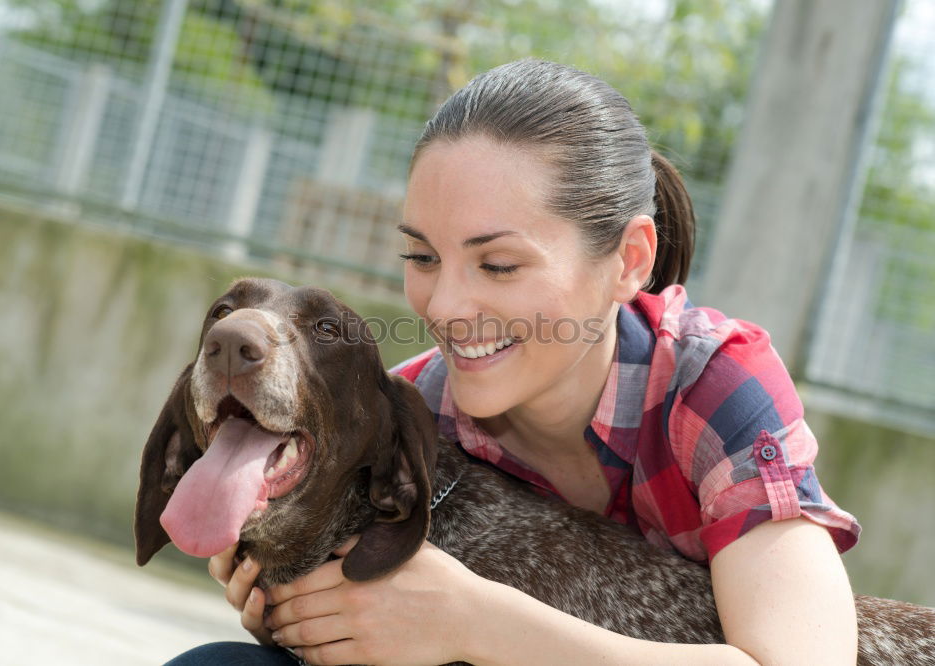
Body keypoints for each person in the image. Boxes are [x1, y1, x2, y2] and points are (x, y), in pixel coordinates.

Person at [167, 59, 861, 666]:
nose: (447, 306)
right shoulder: (412, 412)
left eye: (498, 265)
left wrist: (473, 620)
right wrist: (301, 604)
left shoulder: (714, 388)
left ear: (630, 261)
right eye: (422, 257)